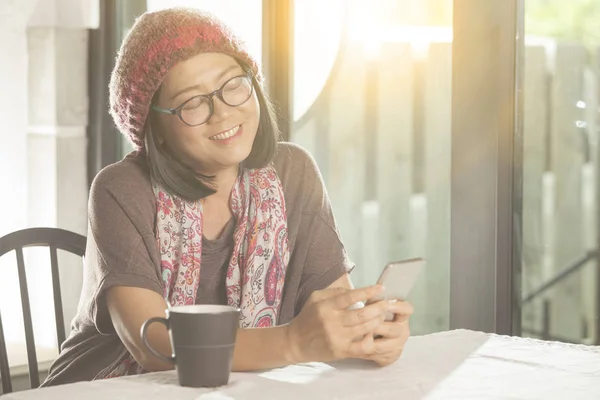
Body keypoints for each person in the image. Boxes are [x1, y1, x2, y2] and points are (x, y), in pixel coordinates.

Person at [41, 7, 412, 386]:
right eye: (192, 102)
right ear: (157, 128)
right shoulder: (119, 188)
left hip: (240, 387)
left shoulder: (294, 172)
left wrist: (366, 335)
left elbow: (335, 313)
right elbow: (152, 347)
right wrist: (294, 342)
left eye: (232, 84)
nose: (222, 112)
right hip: (102, 388)